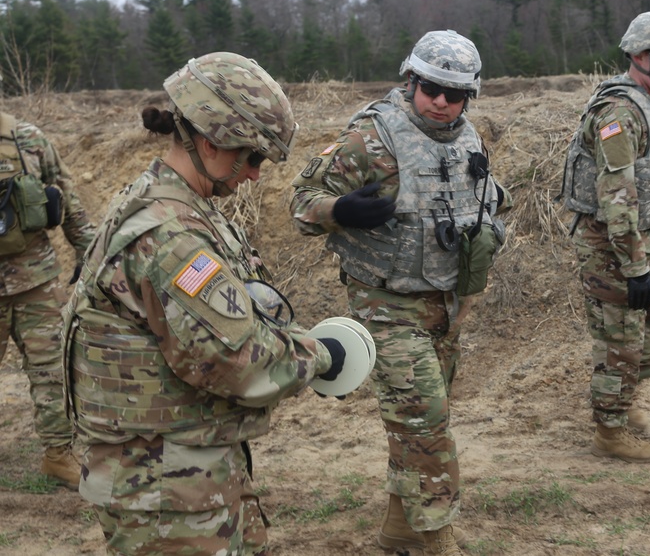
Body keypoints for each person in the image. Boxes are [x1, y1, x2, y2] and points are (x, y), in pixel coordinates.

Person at [63, 52, 348, 556]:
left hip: (181, 470)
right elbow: (236, 363)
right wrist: (322, 354)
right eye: (254, 157)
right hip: (165, 491)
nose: (256, 175)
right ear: (213, 140)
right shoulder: (172, 234)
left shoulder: (168, 203)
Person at [290, 30, 511, 556]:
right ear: (410, 79)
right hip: (385, 305)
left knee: (420, 423)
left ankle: (399, 526)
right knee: (426, 423)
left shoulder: (468, 137)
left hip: (445, 302)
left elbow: (484, 198)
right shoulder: (370, 137)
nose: (440, 101)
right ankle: (438, 538)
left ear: (469, 98)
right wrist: (340, 211)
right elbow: (301, 201)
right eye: (430, 87)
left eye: (454, 94)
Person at [560, 11, 650, 464]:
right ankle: (609, 431)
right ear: (640, 56)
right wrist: (635, 268)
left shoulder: (646, 100)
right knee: (620, 337)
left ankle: (623, 396)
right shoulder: (619, 111)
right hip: (609, 241)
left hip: (640, 235)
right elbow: (616, 197)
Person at [0, 113, 95, 488]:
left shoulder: (28, 139)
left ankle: (58, 455)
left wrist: (86, 248)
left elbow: (64, 193)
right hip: (36, 277)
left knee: (51, 371)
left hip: (34, 280)